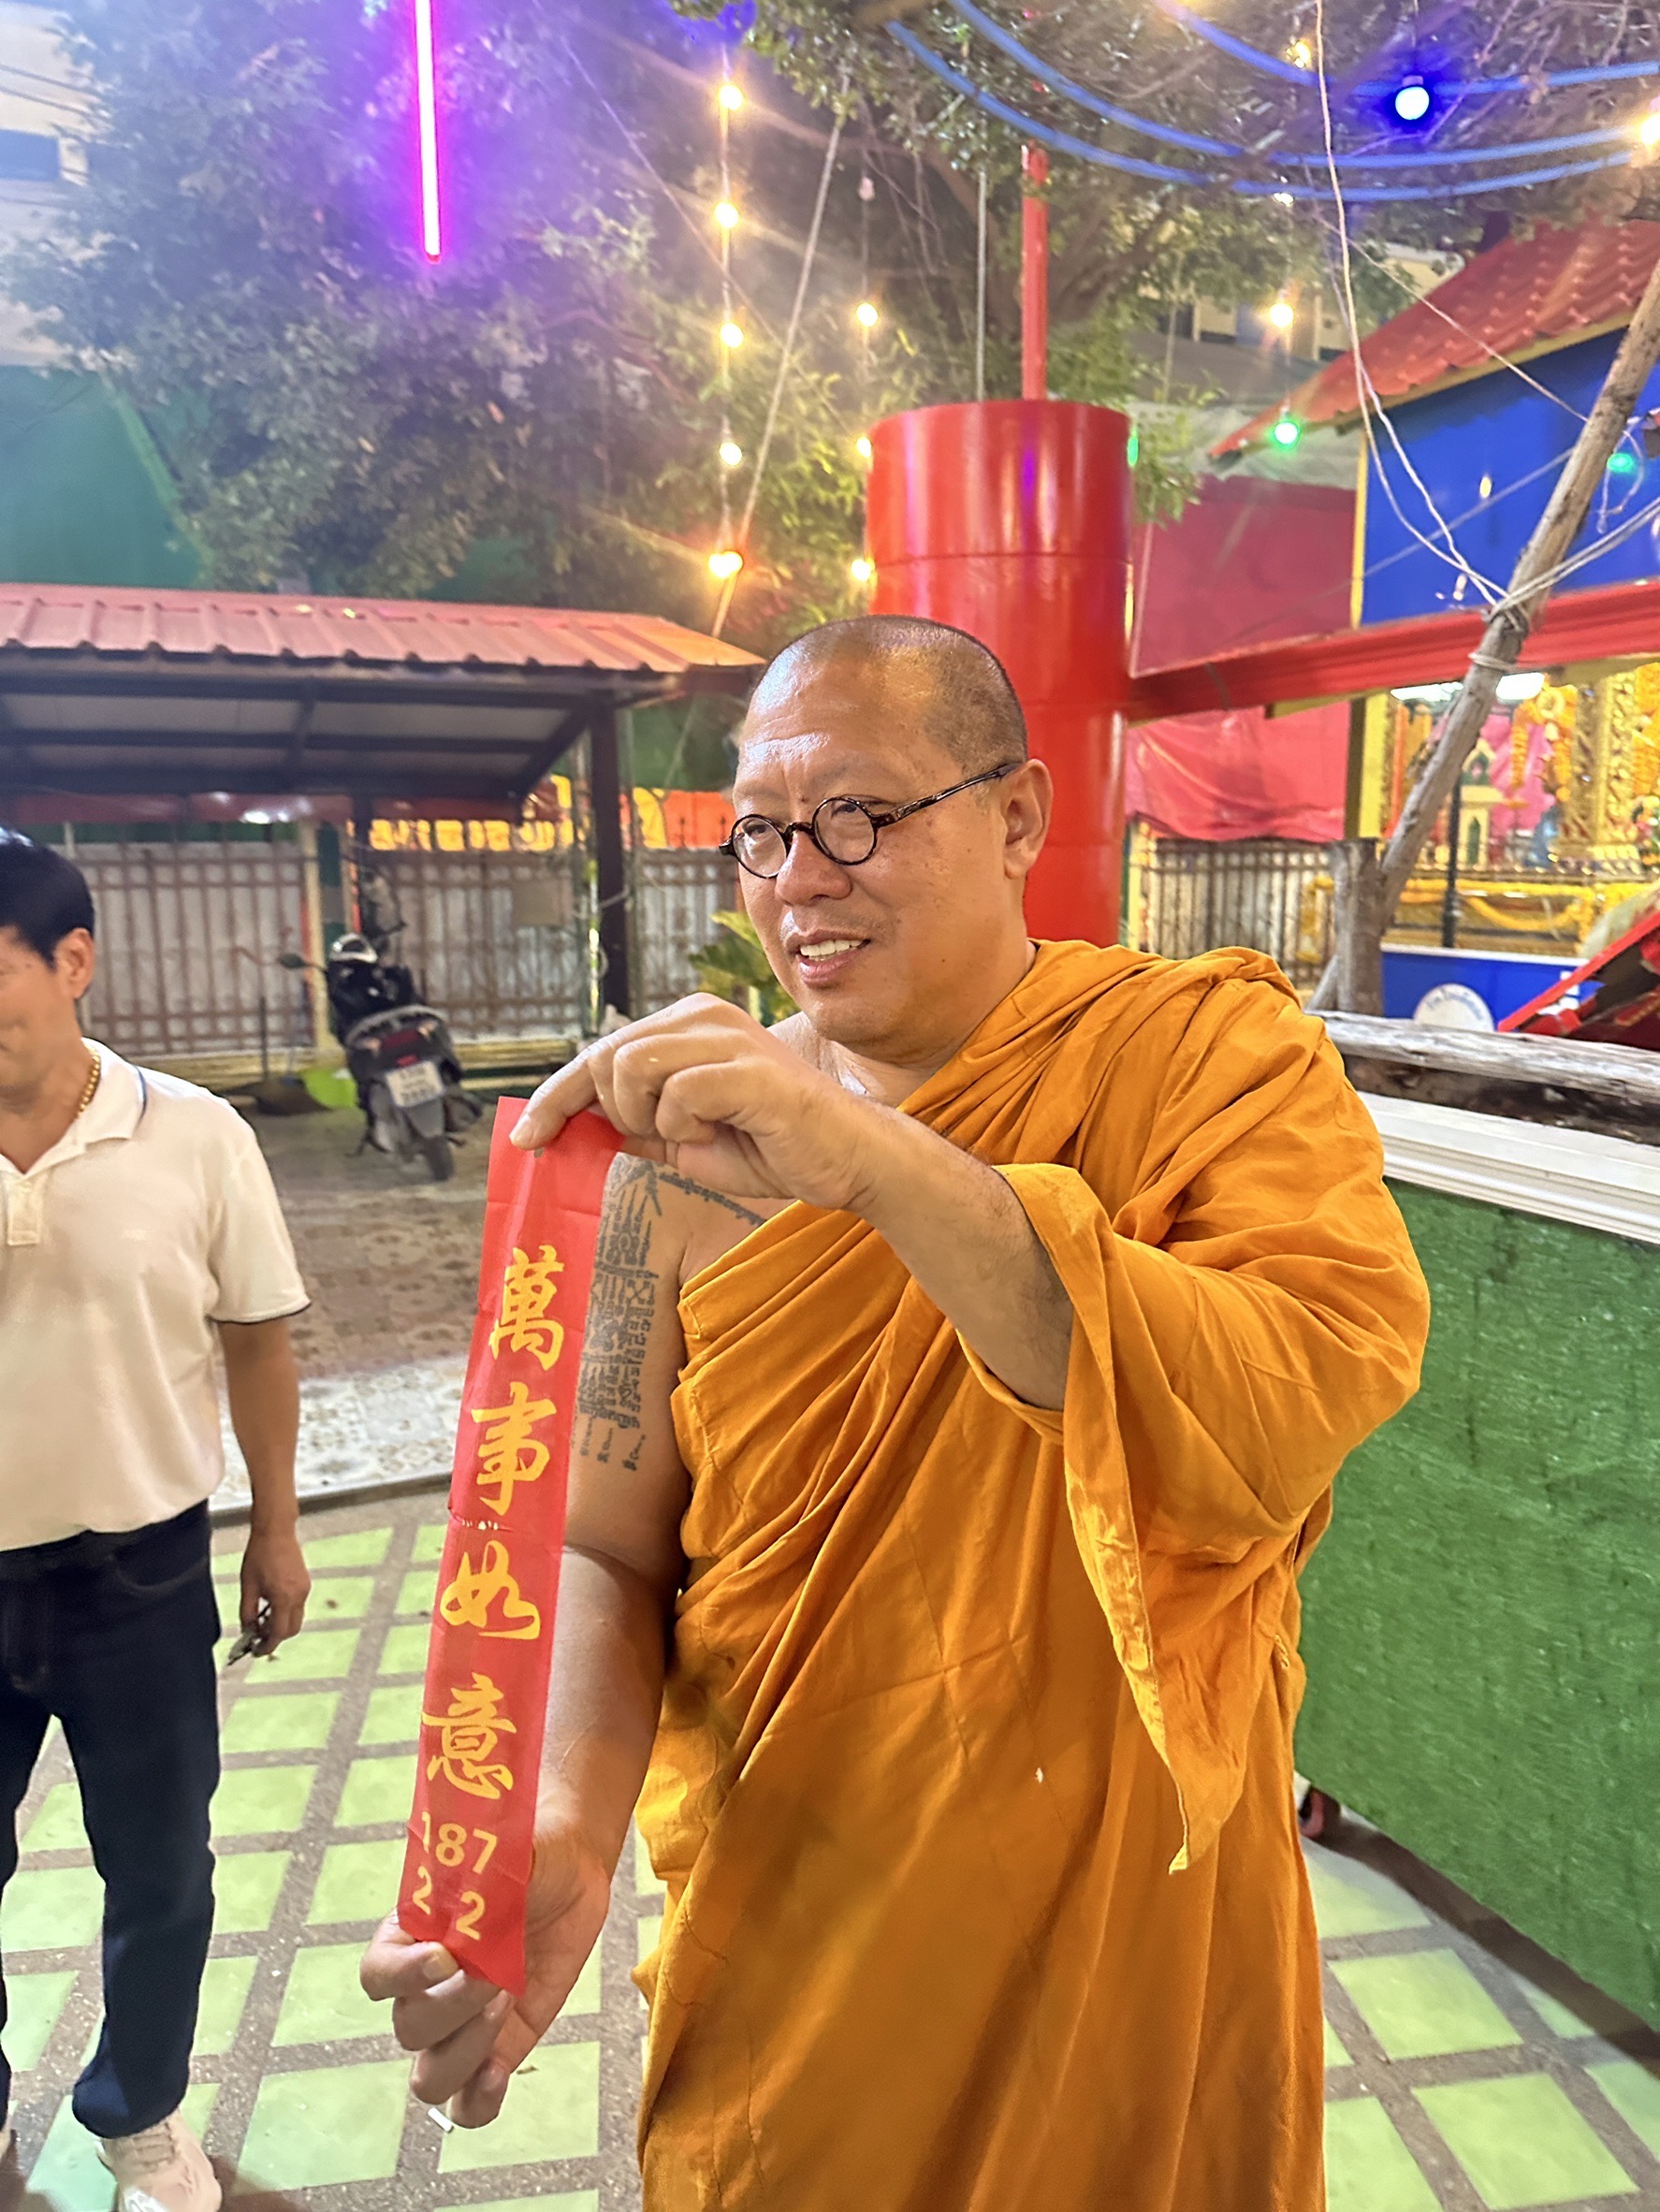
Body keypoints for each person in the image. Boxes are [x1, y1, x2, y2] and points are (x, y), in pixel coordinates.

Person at [363, 617, 1430, 2208]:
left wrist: (873, 1165)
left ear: (1015, 816)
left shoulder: (1210, 1059)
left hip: (1125, 1937)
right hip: (807, 1929)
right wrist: (568, 1823)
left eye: (858, 815)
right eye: (761, 831)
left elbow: (1291, 1399)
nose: (800, 878)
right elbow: (603, 1542)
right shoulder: (675, 1164)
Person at [0, 835, 311, 2211]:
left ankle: (139, 2116)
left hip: (138, 1576)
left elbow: (258, 1338)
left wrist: (276, 1529)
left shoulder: (192, 1134)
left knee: (162, 1872)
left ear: (74, 962)